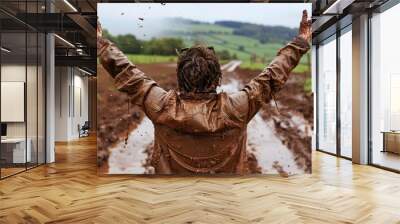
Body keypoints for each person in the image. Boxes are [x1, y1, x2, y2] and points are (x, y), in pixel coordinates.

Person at [97, 10, 312, 174]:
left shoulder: (161, 106)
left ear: (180, 78)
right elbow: (270, 78)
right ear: (218, 79)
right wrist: (300, 42)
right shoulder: (236, 108)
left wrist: (102, 45)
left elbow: (128, 74)